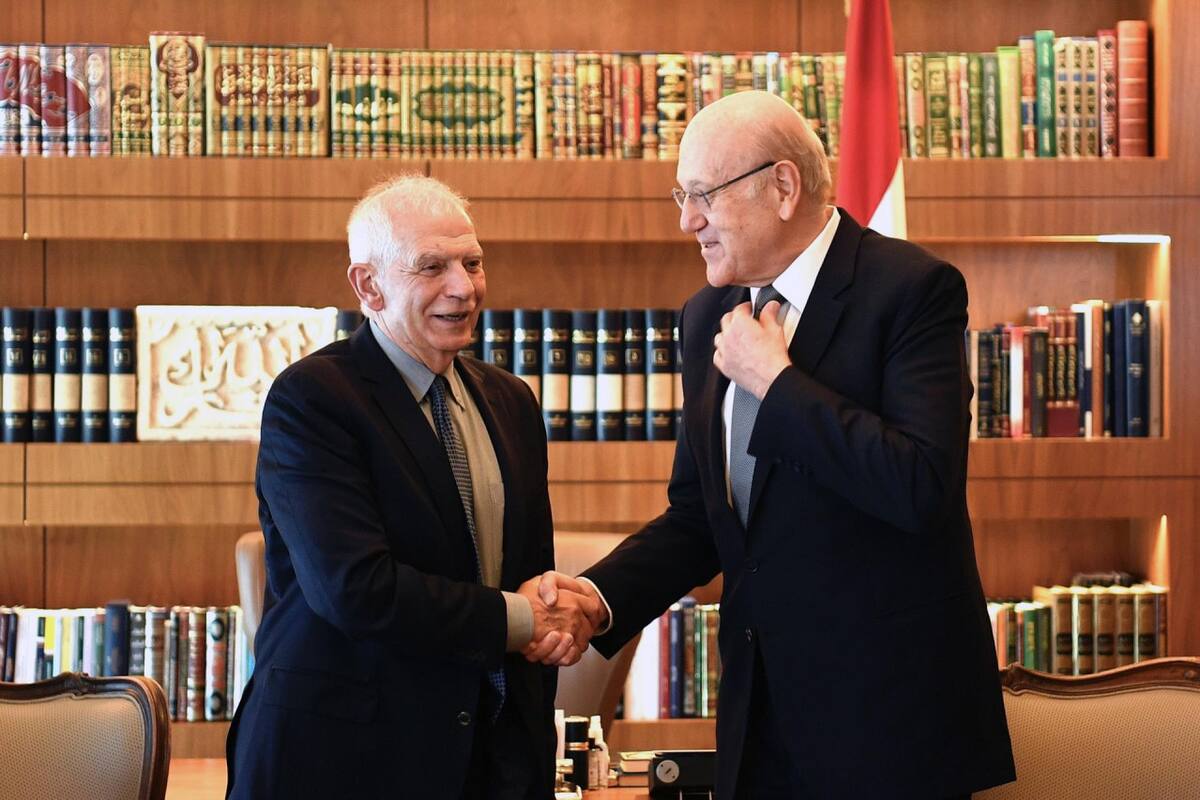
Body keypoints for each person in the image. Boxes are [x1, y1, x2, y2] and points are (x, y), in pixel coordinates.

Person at [529, 91, 1016, 799]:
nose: (688, 220)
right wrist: (598, 599)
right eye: (681, 197)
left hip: (889, 731)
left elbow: (920, 486)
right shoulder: (707, 315)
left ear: (783, 187)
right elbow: (700, 518)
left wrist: (776, 383)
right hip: (757, 729)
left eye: (703, 195)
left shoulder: (911, 291)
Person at [226, 175, 601, 800]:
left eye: (472, 263)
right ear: (368, 285)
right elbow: (356, 589)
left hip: (491, 762)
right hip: (345, 763)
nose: (464, 287)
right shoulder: (314, 399)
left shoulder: (511, 400)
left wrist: (552, 621)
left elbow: (529, 573)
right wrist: (523, 618)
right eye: (432, 267)